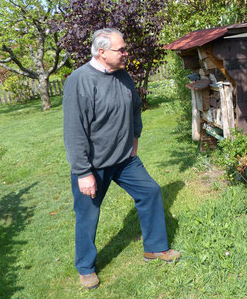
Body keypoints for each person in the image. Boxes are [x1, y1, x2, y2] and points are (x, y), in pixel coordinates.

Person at [63, 28, 180, 289]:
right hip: (94, 165)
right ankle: (85, 268)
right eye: (122, 50)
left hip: (125, 159)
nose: (127, 53)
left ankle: (155, 248)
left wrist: (135, 138)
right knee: (87, 214)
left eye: (125, 49)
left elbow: (135, 106)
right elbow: (74, 130)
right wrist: (83, 172)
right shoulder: (79, 81)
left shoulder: (123, 74)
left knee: (150, 192)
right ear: (102, 52)